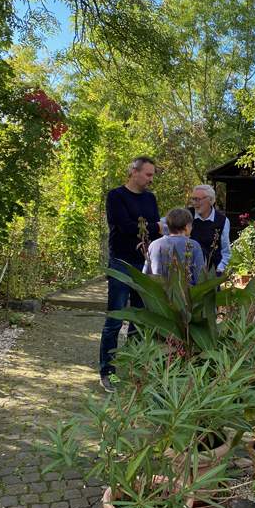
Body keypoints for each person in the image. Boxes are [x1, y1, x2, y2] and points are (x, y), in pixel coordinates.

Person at [99, 156, 163, 392]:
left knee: (140, 319)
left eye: (153, 175)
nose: (151, 179)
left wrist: (154, 230)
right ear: (134, 172)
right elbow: (126, 227)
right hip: (121, 263)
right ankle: (108, 373)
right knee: (115, 319)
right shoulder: (116, 196)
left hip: (145, 265)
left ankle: (135, 371)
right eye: (148, 175)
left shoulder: (150, 198)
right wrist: (155, 227)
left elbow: (153, 232)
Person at [144, 208, 205, 285]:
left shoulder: (154, 245)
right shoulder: (193, 245)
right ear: (186, 226)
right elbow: (200, 278)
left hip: (159, 290)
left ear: (168, 226)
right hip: (186, 291)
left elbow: (145, 276)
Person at [188, 184, 231, 274]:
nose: (194, 203)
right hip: (188, 272)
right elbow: (166, 223)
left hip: (212, 274)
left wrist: (219, 269)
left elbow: (226, 250)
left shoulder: (222, 220)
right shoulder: (186, 215)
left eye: (198, 199)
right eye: (193, 199)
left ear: (210, 200)